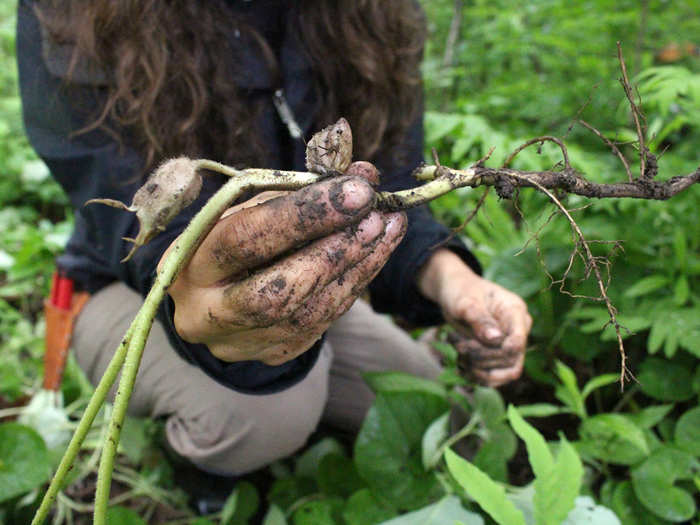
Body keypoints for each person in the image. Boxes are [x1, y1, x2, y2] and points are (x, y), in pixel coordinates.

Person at [17, 0, 532, 480]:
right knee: (265, 414)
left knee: (449, 418)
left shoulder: (372, 17)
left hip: (301, 281)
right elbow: (130, 212)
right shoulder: (83, 14)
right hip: (127, 285)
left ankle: (306, 387)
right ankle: (194, 474)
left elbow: (388, 186)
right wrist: (191, 269)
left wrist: (453, 281)